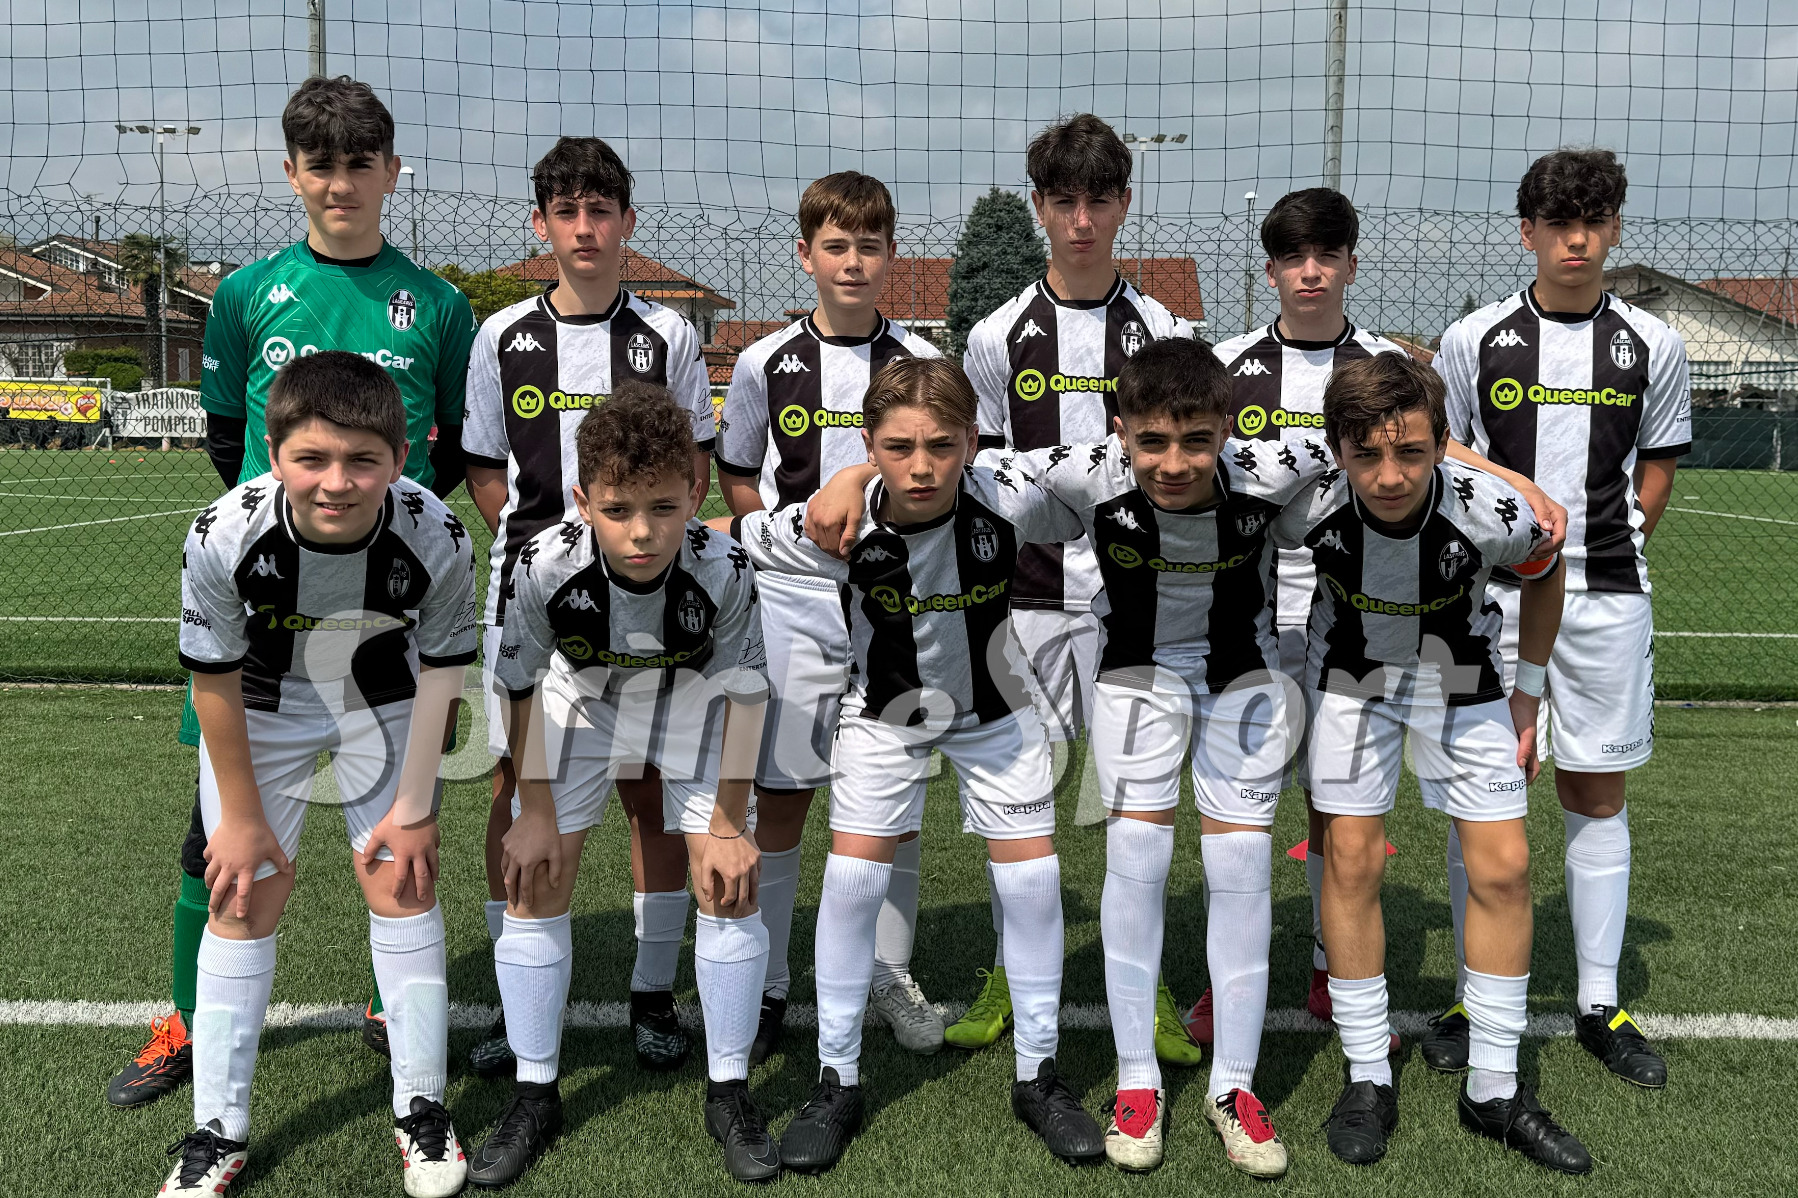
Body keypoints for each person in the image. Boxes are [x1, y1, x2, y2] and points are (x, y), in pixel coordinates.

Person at [110, 75, 479, 1110]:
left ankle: (389, 1004)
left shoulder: (437, 305)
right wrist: (292, 526)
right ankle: (191, 1021)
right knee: (214, 836)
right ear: (292, 173)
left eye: (361, 163)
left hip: (383, 616)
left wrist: (371, 538)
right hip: (266, 614)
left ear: (391, 173)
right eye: (321, 164)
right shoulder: (245, 293)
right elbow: (230, 434)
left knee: (397, 833)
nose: (340, 183)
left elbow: (449, 445)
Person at [722, 357, 1103, 1173]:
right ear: (868, 445)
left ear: (973, 440)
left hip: (997, 714)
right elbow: (720, 535)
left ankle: (1038, 1077)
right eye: (897, 448)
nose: (921, 466)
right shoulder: (831, 522)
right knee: (853, 879)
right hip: (884, 715)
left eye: (941, 446)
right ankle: (837, 1079)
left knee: (1033, 883)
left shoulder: (1009, 491)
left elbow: (1120, 461)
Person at [1206, 188, 1565, 1046]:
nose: (1311, 272)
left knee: (1336, 816)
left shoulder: (1388, 361)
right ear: (1271, 270)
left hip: (1381, 611)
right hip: (1267, 603)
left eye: (1327, 256)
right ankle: (1236, 980)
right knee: (1252, 811)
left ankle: (1328, 966)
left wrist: (1513, 485)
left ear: (1351, 266)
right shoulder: (1228, 363)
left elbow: (1433, 446)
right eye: (1295, 257)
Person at [156, 351, 476, 1197]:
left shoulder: (437, 534)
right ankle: (218, 1129)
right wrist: (239, 820)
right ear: (273, 454)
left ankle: (422, 1108)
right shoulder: (223, 533)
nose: (337, 482)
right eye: (312, 459)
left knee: (403, 879)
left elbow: (444, 672)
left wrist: (416, 807)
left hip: (381, 699)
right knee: (240, 893)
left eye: (363, 459)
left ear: (400, 459)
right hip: (262, 702)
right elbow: (214, 681)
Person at [1277, 352, 1590, 1174]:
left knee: (1505, 868)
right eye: (1367, 455)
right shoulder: (1302, 495)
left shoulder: (1491, 511)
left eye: (1412, 453)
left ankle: (1494, 1086)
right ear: (1337, 448)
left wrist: (1528, 696)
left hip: (1461, 677)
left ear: (1443, 445)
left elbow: (1547, 572)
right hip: (1351, 680)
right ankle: (1367, 1075)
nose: (1390, 476)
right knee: (1350, 860)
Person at [1422, 149, 1689, 1090]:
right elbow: (1443, 447)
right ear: (1527, 231)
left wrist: (1611, 542)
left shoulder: (1654, 344)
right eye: (1559, 224)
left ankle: (1599, 1002)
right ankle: (1473, 995)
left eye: (1594, 222)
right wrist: (1523, 510)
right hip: (1486, 599)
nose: (1577, 241)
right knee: (1479, 798)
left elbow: (1657, 468)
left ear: (1613, 228)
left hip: (1609, 598)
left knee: (1594, 790)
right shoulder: (1474, 340)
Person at [467, 385, 776, 1186]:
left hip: (690, 698)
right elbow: (520, 686)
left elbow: (746, 695)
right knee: (537, 871)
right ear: (582, 501)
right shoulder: (543, 563)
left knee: (728, 880)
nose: (642, 531)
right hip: (582, 696)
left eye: (664, 507)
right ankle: (535, 1093)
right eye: (617, 509)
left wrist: (730, 822)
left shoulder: (725, 567)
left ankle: (730, 1091)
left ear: (696, 495)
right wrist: (535, 810)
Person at [463, 135, 718, 1077]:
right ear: (541, 225)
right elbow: (486, 469)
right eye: (565, 212)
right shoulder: (502, 337)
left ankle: (653, 993)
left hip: (650, 591)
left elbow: (693, 465)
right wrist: (556, 557)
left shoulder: (668, 336)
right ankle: (516, 997)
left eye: (599, 211)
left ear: (626, 222)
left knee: (648, 786)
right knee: (513, 785)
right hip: (533, 599)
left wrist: (629, 549)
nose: (584, 229)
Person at [955, 111, 1201, 1065]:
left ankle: (1149, 986)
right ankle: (1009, 975)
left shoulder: (1167, 332)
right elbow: (979, 471)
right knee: (1019, 805)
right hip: (1026, 599)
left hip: (1136, 605)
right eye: (1065, 201)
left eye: (1100, 200)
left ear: (1125, 204)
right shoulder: (995, 336)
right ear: (1039, 207)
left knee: (1137, 811)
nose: (1083, 220)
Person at [713, 171, 945, 1062]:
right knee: (782, 796)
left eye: (869, 246)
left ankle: (888, 972)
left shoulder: (921, 360)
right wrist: (788, 541)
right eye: (836, 246)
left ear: (891, 255)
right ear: (805, 254)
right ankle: (772, 981)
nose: (853, 262)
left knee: (896, 801)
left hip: (899, 598)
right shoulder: (765, 362)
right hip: (797, 602)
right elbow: (740, 476)